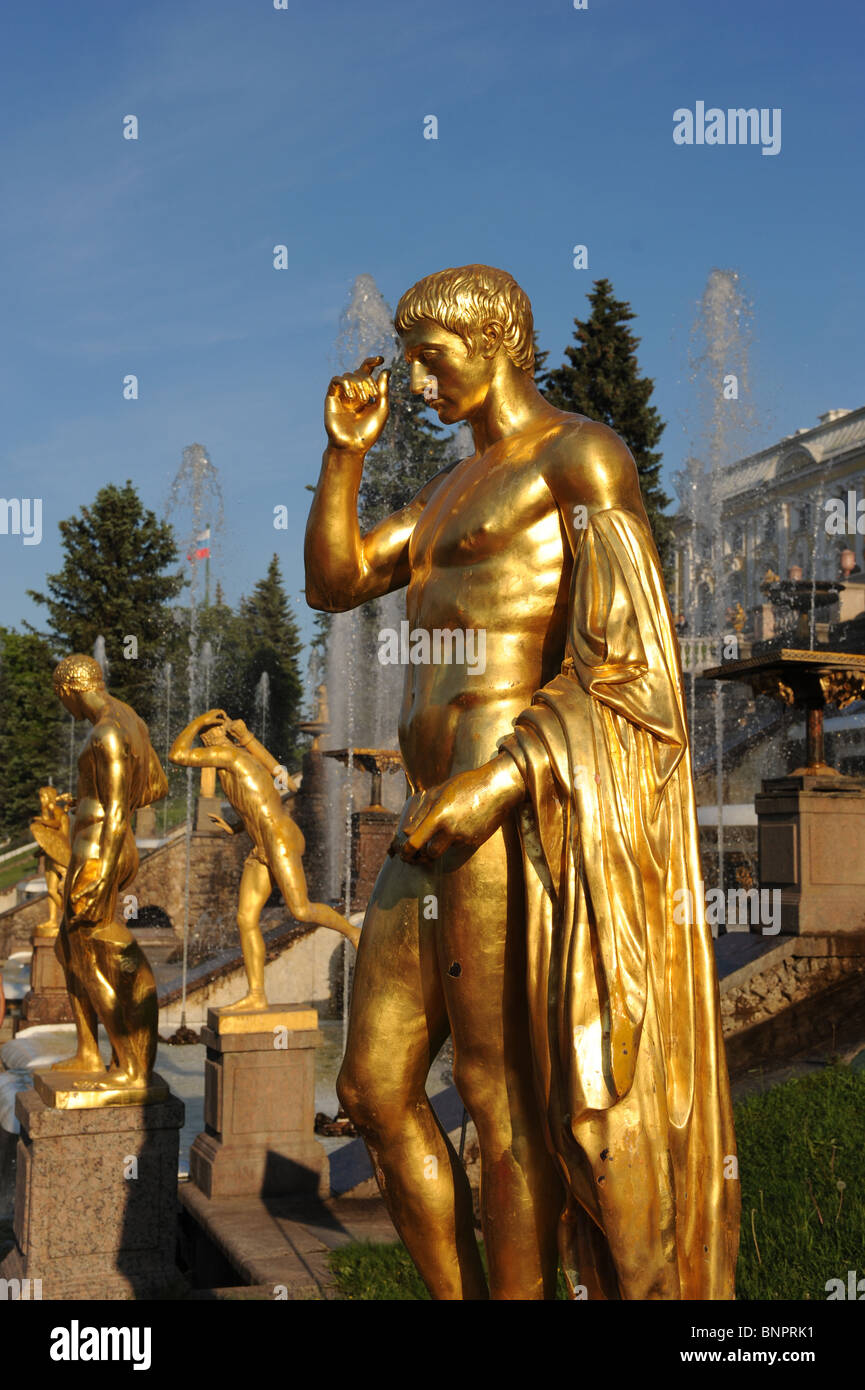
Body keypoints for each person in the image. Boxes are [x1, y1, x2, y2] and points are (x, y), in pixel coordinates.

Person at [304, 263, 739, 1300]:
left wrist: (502, 779)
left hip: (511, 807)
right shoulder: (447, 490)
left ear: (493, 338)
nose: (414, 381)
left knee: (503, 1103)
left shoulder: (581, 458)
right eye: (406, 358)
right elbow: (336, 580)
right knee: (371, 1087)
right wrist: (341, 457)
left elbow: (634, 670)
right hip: (431, 814)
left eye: (430, 356)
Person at [169, 709, 358, 1011]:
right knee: (246, 919)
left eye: (209, 738)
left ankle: (353, 932)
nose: (207, 744)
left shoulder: (231, 758)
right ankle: (257, 994)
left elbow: (177, 755)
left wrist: (197, 722)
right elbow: (279, 787)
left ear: (217, 740)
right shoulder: (241, 763)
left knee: (301, 909)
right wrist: (236, 826)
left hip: (280, 840)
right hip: (261, 847)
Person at [50, 654, 166, 1092]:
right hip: (102, 845)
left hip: (100, 848)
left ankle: (133, 1069)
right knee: (68, 946)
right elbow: (157, 785)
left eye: (64, 700)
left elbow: (118, 811)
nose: (68, 710)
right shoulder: (129, 718)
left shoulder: (108, 733)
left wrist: (100, 878)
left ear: (69, 690)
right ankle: (87, 1050)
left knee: (91, 951)